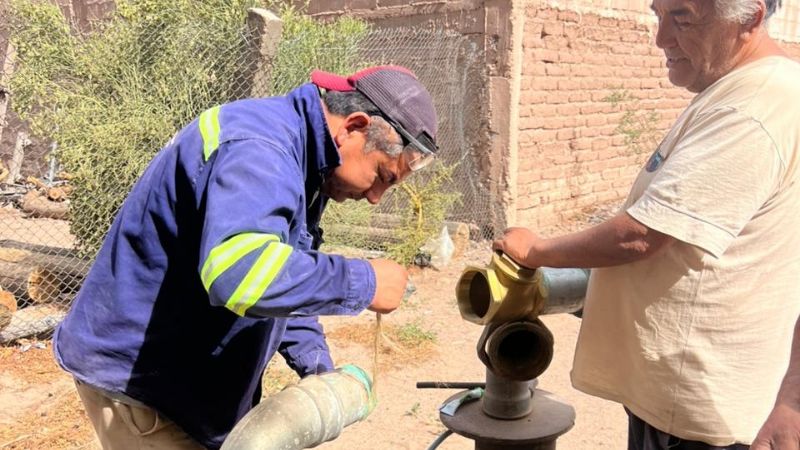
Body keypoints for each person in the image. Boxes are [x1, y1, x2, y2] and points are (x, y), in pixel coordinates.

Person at [53, 65, 439, 449]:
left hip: (183, 375)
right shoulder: (261, 149)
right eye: (382, 177)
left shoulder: (305, 155)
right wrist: (363, 281)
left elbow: (284, 272)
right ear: (353, 127)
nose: (374, 198)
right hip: (147, 386)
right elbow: (242, 274)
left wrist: (315, 364)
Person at [493, 0, 799, 448]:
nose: (661, 38)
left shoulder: (752, 107)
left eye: (683, 17)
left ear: (749, 17)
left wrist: (536, 251)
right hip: (683, 391)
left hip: (695, 406)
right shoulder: (747, 90)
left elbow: (642, 235)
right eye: (659, 14)